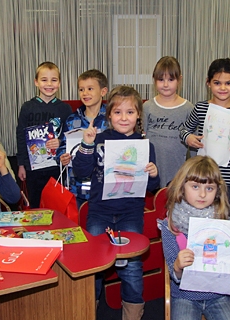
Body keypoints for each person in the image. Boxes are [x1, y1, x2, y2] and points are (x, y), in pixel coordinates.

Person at [72, 85, 160, 319]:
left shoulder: (145, 146)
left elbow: (151, 187)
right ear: (109, 114)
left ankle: (132, 312)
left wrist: (153, 173)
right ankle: (88, 308)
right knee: (94, 264)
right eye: (118, 112)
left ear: (138, 115)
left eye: (130, 112)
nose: (124, 118)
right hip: (99, 212)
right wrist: (87, 145)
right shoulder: (99, 139)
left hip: (130, 213)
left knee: (132, 266)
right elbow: (80, 172)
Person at [158, 155, 230, 320]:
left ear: (217, 191)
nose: (202, 194)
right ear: (182, 187)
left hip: (218, 296)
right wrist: (178, 266)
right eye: (195, 186)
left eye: (209, 188)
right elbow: (172, 271)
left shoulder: (225, 224)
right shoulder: (171, 226)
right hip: (184, 295)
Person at [180, 58, 230, 217]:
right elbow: (184, 129)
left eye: (228, 83)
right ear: (208, 83)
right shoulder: (201, 107)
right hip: (205, 179)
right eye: (217, 83)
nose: (223, 88)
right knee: (203, 218)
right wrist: (188, 138)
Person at [16, 62, 72, 208]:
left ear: (59, 83)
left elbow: (70, 136)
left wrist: (60, 141)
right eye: (44, 79)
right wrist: (21, 164)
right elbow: (20, 136)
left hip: (56, 166)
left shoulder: (65, 109)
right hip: (33, 168)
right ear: (36, 82)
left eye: (54, 80)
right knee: (35, 205)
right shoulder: (27, 107)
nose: (49, 84)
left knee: (56, 205)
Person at [57, 69, 109, 208]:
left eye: (90, 88)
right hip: (76, 188)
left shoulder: (112, 119)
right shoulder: (71, 120)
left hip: (104, 188)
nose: (85, 93)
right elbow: (62, 147)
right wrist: (62, 157)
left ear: (103, 91)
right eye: (81, 89)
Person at [143, 56, 194, 187]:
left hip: (177, 172)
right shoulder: (147, 106)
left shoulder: (189, 108)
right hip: (150, 170)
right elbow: (141, 138)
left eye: (171, 79)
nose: (165, 84)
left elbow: (194, 145)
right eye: (161, 79)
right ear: (154, 80)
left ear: (179, 80)